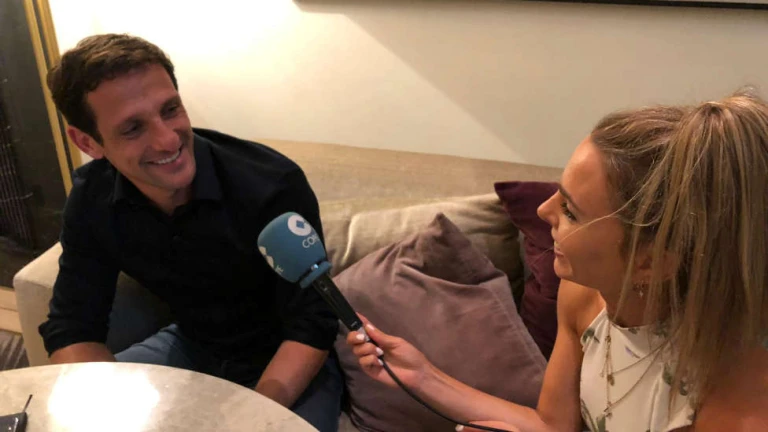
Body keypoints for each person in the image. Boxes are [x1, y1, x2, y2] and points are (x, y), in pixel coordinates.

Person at [348, 91, 768, 431]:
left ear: (650, 263)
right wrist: (423, 376)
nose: (543, 211)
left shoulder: (737, 395)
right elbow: (551, 424)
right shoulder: (584, 296)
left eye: (570, 210)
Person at [40, 34, 342, 431]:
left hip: (285, 360)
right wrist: (108, 412)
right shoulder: (91, 199)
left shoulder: (271, 184)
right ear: (87, 141)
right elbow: (73, 326)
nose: (168, 139)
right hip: (190, 346)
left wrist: (254, 415)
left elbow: (313, 320)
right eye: (133, 128)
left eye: (171, 109)